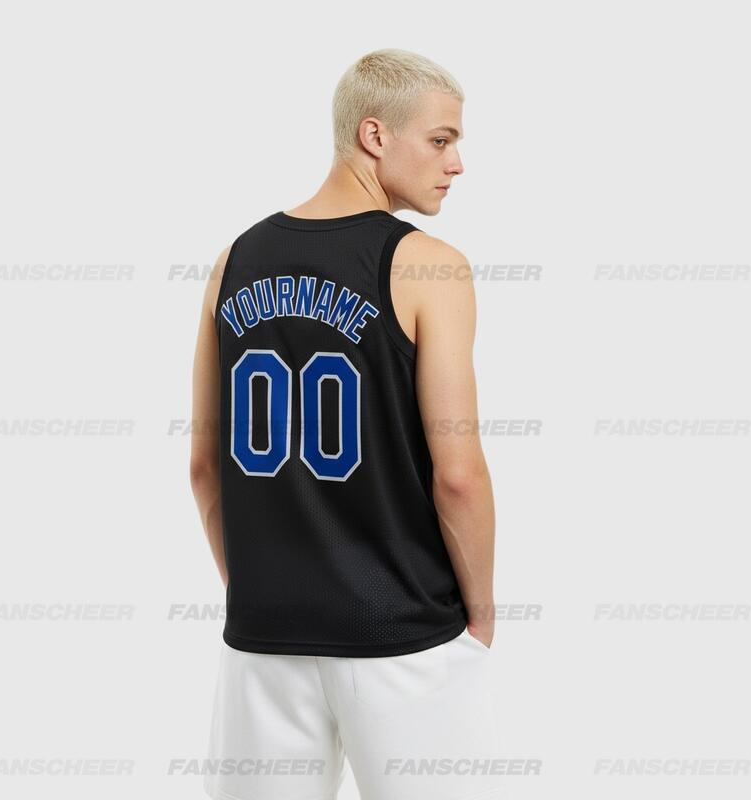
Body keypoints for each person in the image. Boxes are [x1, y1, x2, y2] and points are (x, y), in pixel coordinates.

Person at [190, 48, 503, 800]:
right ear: (374, 135)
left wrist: (261, 589)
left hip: (262, 637)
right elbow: (459, 475)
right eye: (440, 139)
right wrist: (481, 615)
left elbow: (203, 468)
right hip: (401, 631)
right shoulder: (429, 266)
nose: (456, 163)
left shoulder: (233, 259)